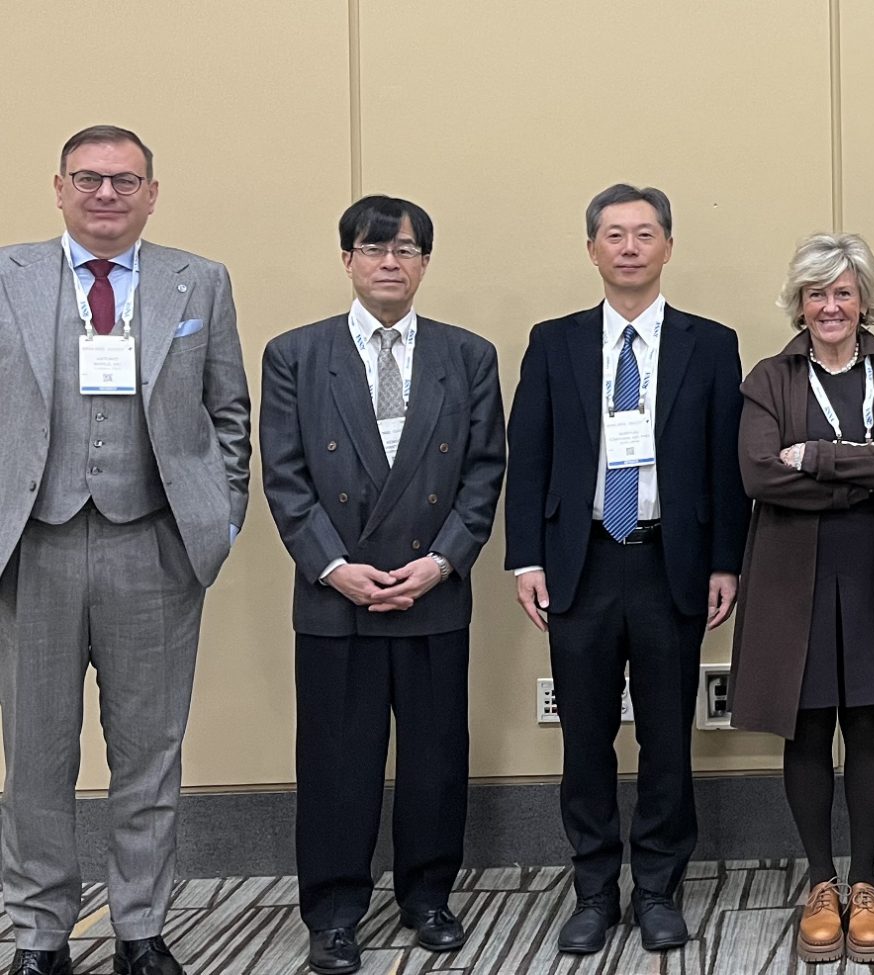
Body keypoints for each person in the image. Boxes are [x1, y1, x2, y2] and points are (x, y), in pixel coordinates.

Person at [0, 125, 251, 975]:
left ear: (151, 193)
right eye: (88, 178)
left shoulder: (199, 280)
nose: (106, 193)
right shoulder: (7, 276)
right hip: (34, 548)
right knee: (36, 756)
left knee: (150, 750)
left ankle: (141, 925)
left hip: (154, 547)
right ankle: (40, 934)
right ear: (58, 187)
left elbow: (229, 410)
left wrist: (219, 519)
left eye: (124, 180)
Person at [258, 196, 506, 974]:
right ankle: (333, 912)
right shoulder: (295, 354)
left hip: (433, 587)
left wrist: (442, 560)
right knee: (337, 762)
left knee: (436, 757)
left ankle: (428, 896)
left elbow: (484, 471)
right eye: (373, 248)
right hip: (336, 594)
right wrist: (336, 567)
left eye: (405, 249)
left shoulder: (468, 355)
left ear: (426, 262)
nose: (389, 262)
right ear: (347, 260)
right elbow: (284, 476)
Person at [503, 184, 748, 955]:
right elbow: (528, 453)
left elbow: (726, 462)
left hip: (669, 561)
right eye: (615, 234)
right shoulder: (555, 342)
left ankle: (658, 889)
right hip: (581, 563)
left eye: (645, 233)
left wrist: (726, 561)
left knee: (668, 738)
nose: (631, 247)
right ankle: (593, 890)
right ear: (592, 250)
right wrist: (525, 557)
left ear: (669, 246)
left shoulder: (711, 344)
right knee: (586, 737)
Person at [731, 233, 874, 965]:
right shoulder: (770, 378)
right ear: (799, 302)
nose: (830, 306)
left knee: (871, 725)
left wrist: (814, 455)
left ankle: (866, 883)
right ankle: (821, 884)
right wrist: (863, 466)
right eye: (816, 293)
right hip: (795, 578)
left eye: (843, 292)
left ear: (864, 300)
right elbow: (759, 476)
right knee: (809, 727)